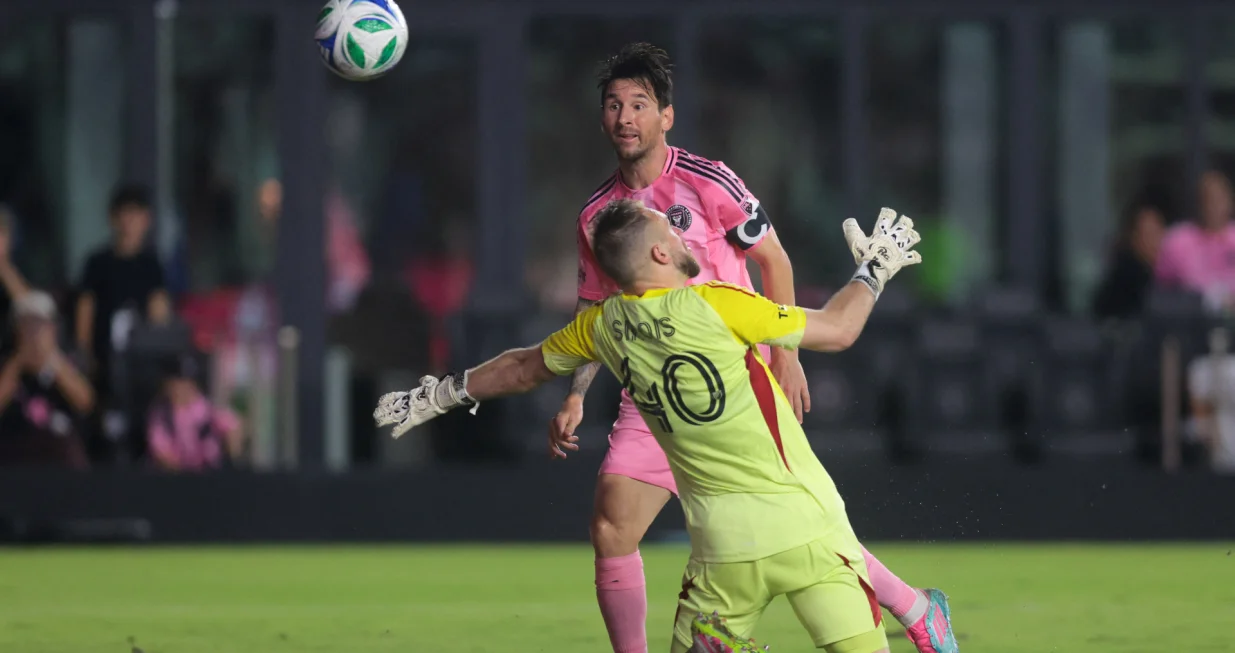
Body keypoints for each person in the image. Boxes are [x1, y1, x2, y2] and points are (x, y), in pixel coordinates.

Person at [376, 202, 933, 653]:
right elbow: (837, 329)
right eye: (673, 228)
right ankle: (918, 614)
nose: (685, 236)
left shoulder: (603, 327)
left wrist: (439, 394)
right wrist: (873, 269)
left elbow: (521, 367)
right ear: (663, 251)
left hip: (723, 554)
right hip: (810, 530)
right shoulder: (719, 305)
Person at [549, 43, 953, 653]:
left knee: (786, 521)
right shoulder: (598, 216)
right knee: (611, 523)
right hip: (654, 383)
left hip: (733, 374)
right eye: (613, 105)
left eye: (639, 103)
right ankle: (914, 608)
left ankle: (913, 608)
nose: (625, 117)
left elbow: (772, 258)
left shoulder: (707, 181)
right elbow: (593, 307)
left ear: (667, 116)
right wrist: (577, 393)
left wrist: (785, 358)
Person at [76, 184, 172, 381]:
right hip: (103, 360)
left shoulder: (152, 266)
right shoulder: (97, 263)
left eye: (135, 214)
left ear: (146, 220)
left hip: (140, 363)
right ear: (113, 218)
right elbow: (85, 309)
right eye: (124, 214)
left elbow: (159, 313)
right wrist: (85, 355)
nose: (128, 222)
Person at [0, 291, 95, 468]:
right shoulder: (7, 364)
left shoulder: (68, 362)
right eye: (27, 325)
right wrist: (19, 362)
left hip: (59, 454)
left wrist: (51, 360)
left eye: (39, 325)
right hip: (14, 453)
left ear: (53, 328)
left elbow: (85, 401)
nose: (33, 333)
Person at [146, 354, 245, 472]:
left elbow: (234, 427)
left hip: (212, 476)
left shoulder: (207, 408)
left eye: (188, 382)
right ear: (168, 385)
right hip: (177, 479)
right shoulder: (161, 415)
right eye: (178, 383)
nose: (183, 388)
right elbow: (162, 453)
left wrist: (230, 456)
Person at [1155, 170, 1235, 309]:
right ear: (1199, 203)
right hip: (1190, 322)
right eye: (1208, 199)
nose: (1214, 206)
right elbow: (1162, 291)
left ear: (1230, 201)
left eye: (1219, 199)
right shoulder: (1178, 241)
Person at [1091, 191, 1168, 320]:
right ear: (1133, 238)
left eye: (1157, 233)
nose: (1155, 241)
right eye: (1147, 234)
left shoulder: (1166, 275)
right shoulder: (1127, 280)